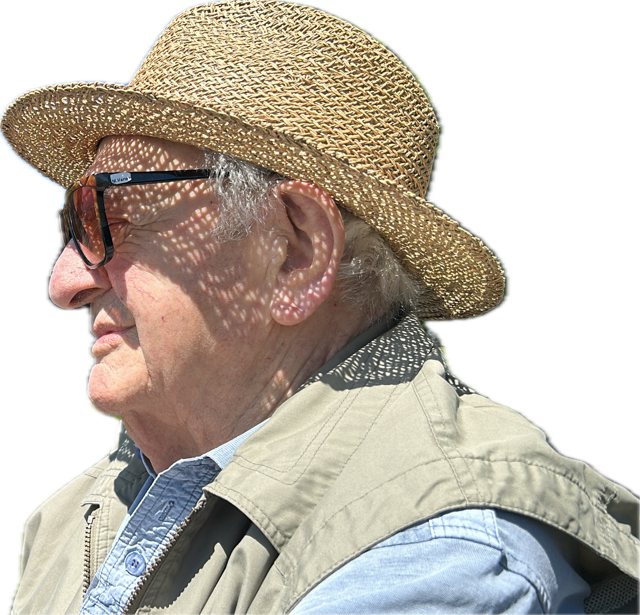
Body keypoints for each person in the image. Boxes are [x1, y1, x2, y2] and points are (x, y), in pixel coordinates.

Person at [3, 1, 639, 613]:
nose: (65, 282)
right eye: (73, 224)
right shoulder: (75, 516)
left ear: (294, 251)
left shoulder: (438, 543)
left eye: (111, 219)